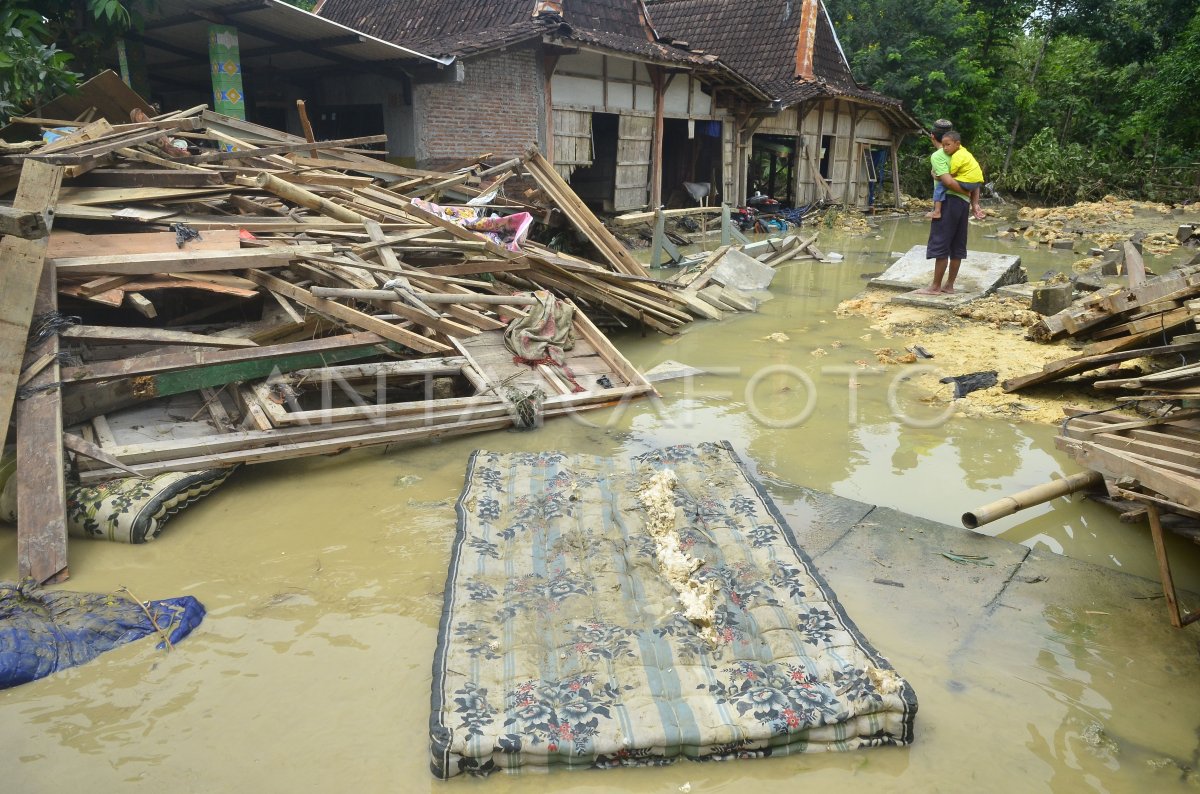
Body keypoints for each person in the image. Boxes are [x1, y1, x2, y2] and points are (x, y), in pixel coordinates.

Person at [916, 127, 976, 295]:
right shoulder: (962, 153)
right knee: (957, 244)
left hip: (948, 202)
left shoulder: (938, 156)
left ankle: (935, 287)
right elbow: (975, 177)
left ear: (932, 137)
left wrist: (964, 192)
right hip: (963, 205)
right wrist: (972, 199)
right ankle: (949, 285)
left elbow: (948, 182)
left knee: (940, 242)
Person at [940, 130, 986, 221]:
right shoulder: (965, 152)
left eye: (948, 145)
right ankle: (975, 203)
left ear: (957, 144)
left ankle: (937, 209)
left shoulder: (956, 156)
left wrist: (937, 176)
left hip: (967, 183)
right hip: (977, 182)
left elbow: (951, 175)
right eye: (943, 145)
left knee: (942, 183)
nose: (945, 148)